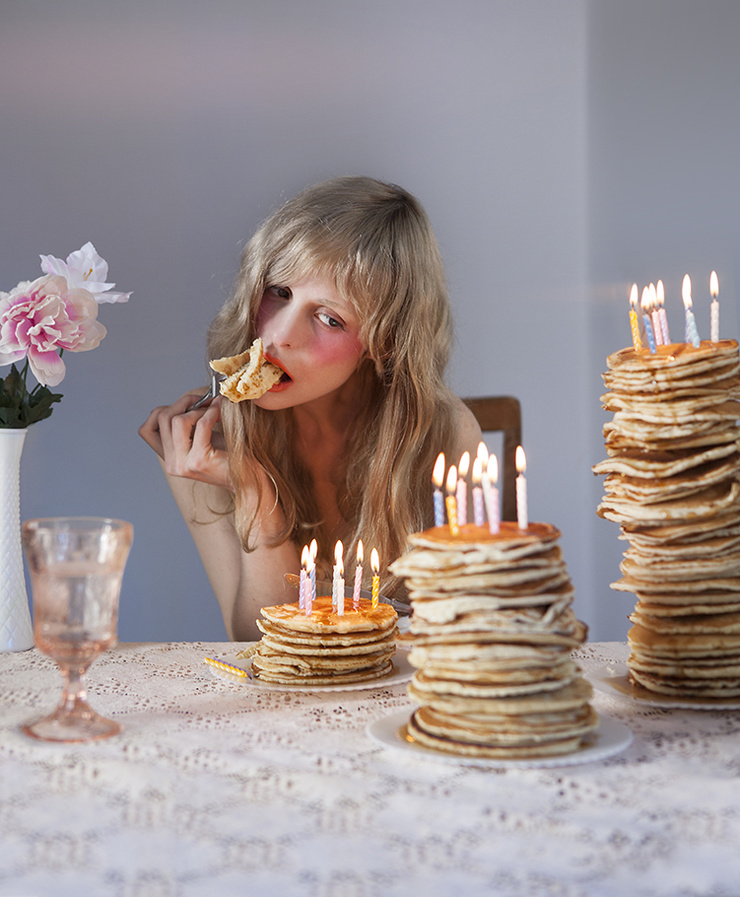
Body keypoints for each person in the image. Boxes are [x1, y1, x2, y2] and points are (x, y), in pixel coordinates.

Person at [139, 176, 482, 640]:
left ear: (383, 344)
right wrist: (255, 490)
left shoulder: (445, 434)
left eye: (329, 318)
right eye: (279, 292)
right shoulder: (207, 443)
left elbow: (467, 635)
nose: (280, 335)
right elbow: (257, 640)